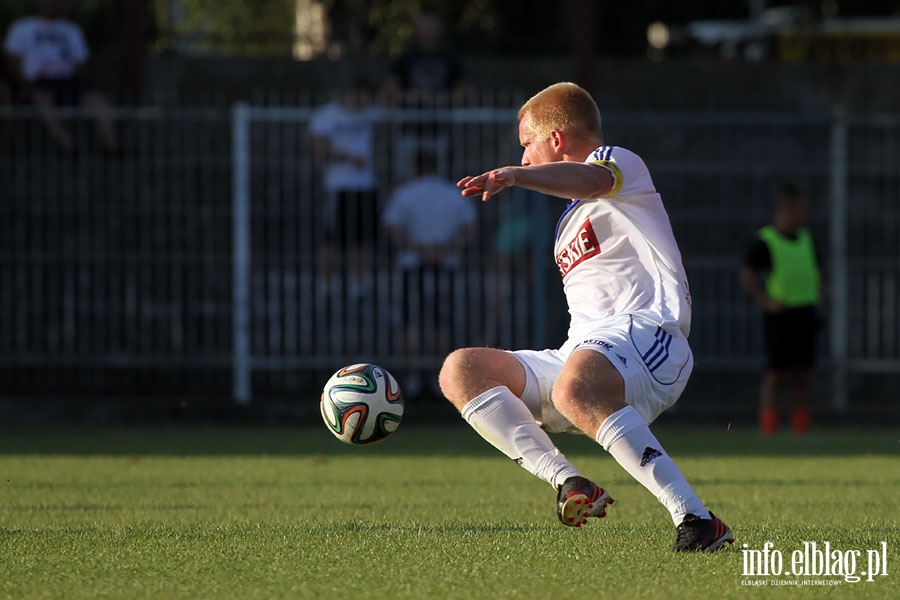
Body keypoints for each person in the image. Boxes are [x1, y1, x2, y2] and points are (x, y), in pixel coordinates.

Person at [443, 82, 733, 552]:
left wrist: (516, 175)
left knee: (574, 384)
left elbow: (591, 181)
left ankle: (697, 519)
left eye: (526, 145)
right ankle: (569, 483)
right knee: (463, 369)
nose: (525, 156)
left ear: (555, 139)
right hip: (588, 354)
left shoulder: (620, 163)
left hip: (652, 337)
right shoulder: (565, 224)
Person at [382, 149, 476, 400]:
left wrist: (418, 249)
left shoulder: (404, 193)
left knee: (410, 323)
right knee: (440, 323)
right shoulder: (451, 193)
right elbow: (468, 227)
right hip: (445, 264)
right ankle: (438, 379)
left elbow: (393, 227)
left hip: (412, 264)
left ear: (414, 167)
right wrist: (446, 249)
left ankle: (413, 378)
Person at [740, 183, 822, 435]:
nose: (805, 213)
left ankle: (800, 429)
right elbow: (748, 274)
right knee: (775, 375)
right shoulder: (768, 239)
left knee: (802, 375)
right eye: (801, 208)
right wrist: (765, 300)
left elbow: (812, 268)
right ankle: (768, 428)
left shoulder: (806, 237)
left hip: (805, 313)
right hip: (781, 315)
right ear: (788, 209)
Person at [3, 0, 118, 152]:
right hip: (37, 83)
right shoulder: (22, 28)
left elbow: (81, 63)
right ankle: (68, 146)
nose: (53, 4)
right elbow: (12, 62)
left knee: (98, 100)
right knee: (42, 99)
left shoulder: (71, 30)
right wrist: (25, 83)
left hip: (67, 82)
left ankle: (114, 148)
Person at [309, 78, 382, 299]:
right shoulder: (327, 115)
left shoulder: (371, 113)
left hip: (365, 185)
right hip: (338, 186)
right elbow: (317, 147)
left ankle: (359, 283)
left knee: (363, 237)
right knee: (331, 238)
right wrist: (347, 157)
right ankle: (326, 283)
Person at [380, 12, 466, 182]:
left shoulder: (449, 57)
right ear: (417, 30)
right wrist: (413, 97)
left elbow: (463, 89)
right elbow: (390, 89)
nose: (428, 32)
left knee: (440, 176)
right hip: (410, 129)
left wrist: (443, 100)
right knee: (406, 176)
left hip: (439, 128)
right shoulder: (406, 58)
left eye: (432, 28)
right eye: (424, 28)